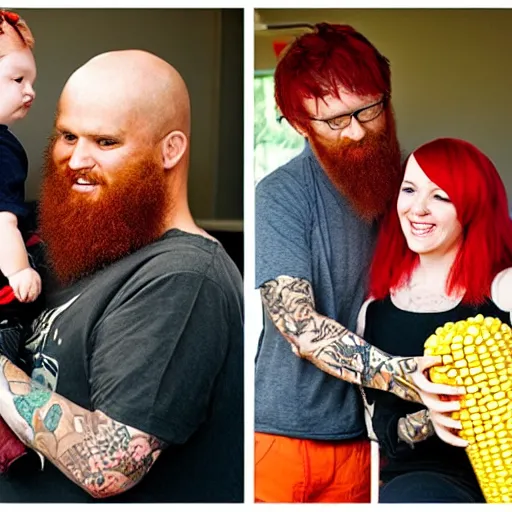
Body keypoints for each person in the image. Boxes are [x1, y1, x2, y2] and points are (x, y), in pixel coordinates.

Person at [0, 49, 244, 503]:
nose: (75, 160)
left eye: (105, 142)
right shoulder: (80, 236)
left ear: (170, 149)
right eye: (68, 136)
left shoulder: (185, 279)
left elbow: (108, 467)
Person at [255, 22, 461, 503]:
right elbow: (300, 327)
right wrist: (411, 377)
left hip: (370, 440)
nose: (358, 132)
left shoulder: (411, 190)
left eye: (370, 109)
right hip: (283, 437)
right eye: (335, 121)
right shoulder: (281, 196)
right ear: (301, 123)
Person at [358, 137, 512, 503]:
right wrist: (432, 417)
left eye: (440, 196)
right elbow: (381, 430)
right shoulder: (375, 312)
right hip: (428, 480)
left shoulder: (504, 291)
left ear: (471, 208)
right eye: (409, 190)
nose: (418, 209)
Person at [0, 9, 45, 474]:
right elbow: (1, 222)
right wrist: (18, 270)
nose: (30, 91)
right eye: (17, 78)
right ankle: (14, 454)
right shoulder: (2, 148)